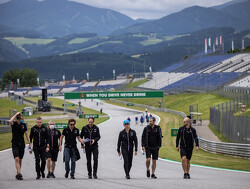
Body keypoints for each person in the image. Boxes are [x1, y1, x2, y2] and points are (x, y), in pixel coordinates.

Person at [9, 112, 31, 180]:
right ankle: (19, 173)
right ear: (19, 119)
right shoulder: (14, 124)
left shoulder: (24, 125)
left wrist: (29, 142)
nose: (23, 119)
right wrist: (15, 114)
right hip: (15, 143)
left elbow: (26, 134)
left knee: (20, 159)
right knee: (16, 158)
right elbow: (10, 121)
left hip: (22, 144)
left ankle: (18, 173)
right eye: (22, 118)